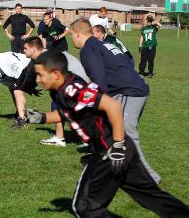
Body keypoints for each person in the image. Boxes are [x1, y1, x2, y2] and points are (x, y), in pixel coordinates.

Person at [27, 51, 189, 217]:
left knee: (85, 207)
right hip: (121, 148)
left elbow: (112, 105)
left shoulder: (72, 90)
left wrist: (118, 146)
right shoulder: (60, 89)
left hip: (110, 150)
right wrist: (42, 117)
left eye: (40, 75)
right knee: (151, 196)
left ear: (55, 74)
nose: (37, 79)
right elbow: (70, 112)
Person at [69, 17, 161, 184]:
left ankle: (149, 178)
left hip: (129, 92)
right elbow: (124, 65)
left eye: (71, 36)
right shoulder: (101, 43)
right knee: (111, 129)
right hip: (130, 89)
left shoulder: (88, 49)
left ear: (77, 34)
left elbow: (99, 79)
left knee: (125, 132)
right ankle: (106, 163)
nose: (71, 39)